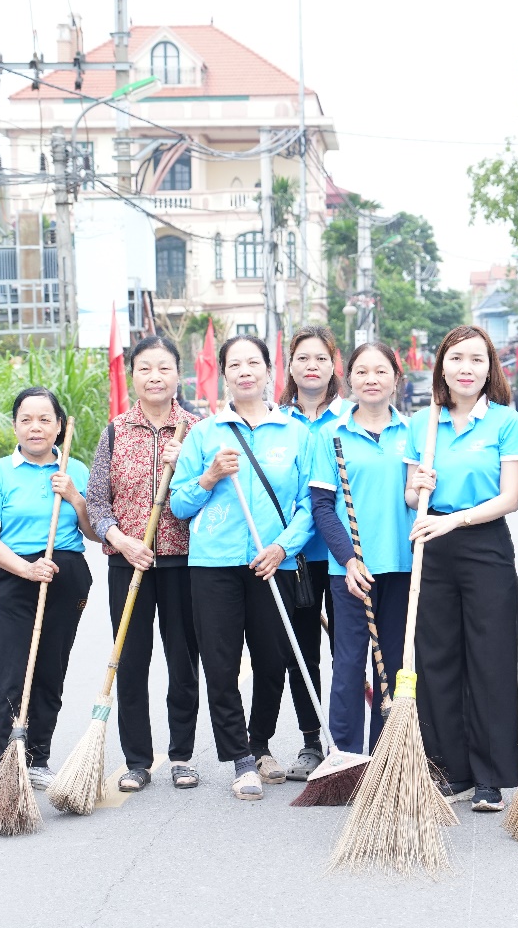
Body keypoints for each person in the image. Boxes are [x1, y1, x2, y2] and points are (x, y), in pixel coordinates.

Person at [170, 335, 315, 801]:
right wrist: (209, 476)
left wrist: (282, 546)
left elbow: (310, 505)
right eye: (236, 364)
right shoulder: (205, 433)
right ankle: (240, 758)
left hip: (271, 562)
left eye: (254, 362)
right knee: (221, 663)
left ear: (270, 370)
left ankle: (261, 741)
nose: (246, 371)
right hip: (213, 565)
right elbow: (178, 505)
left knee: (274, 660)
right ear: (224, 373)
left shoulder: (295, 432)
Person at [405, 324, 518, 812]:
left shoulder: (504, 422)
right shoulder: (422, 423)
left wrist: (453, 520)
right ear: (442, 366)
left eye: (476, 359)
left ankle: (489, 776)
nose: (466, 368)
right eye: (456, 359)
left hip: (484, 545)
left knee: (490, 659)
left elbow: (511, 498)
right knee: (436, 660)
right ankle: (446, 770)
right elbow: (410, 496)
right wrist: (418, 487)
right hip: (431, 544)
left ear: (489, 368)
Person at [85, 335, 202, 793]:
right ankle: (136, 759)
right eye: (145, 368)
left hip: (185, 563)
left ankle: (182, 755)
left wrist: (189, 463)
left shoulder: (197, 429)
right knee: (130, 661)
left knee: (183, 661)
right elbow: (97, 502)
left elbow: (212, 493)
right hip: (128, 564)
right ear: (132, 376)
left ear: (178, 374)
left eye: (164, 368)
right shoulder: (116, 430)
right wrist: (123, 541)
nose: (155, 376)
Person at [0, 388, 96, 788]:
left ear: (59, 426)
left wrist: (75, 497)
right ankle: (10, 762)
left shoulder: (74, 468)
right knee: (11, 673)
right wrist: (27, 570)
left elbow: (95, 533)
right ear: (15, 426)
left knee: (48, 673)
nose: (36, 427)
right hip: (16, 576)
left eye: (45, 419)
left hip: (67, 575)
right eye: (26, 419)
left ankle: (38, 758)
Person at [309, 341, 415, 753]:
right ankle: (347, 762)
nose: (372, 379)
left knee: (393, 666)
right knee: (350, 668)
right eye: (362, 372)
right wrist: (348, 561)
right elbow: (322, 506)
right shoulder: (332, 436)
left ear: (395, 378)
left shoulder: (414, 434)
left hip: (403, 567)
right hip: (349, 572)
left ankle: (385, 761)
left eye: (381, 371)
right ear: (348, 379)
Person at [270, 325, 350, 779]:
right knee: (301, 651)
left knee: (349, 648)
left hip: (344, 556)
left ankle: (349, 735)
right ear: (291, 367)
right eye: (303, 358)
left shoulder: (353, 417)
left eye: (320, 358)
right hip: (296, 558)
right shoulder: (278, 422)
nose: (312, 366)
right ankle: (310, 741)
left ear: (333, 365)